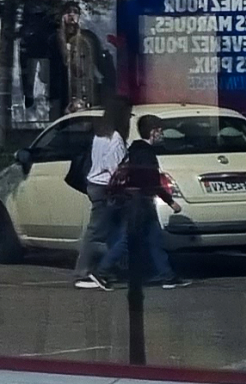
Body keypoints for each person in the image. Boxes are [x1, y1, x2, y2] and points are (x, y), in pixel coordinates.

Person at [101, 114, 187, 290]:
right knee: (127, 241)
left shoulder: (136, 151)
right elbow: (151, 182)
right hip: (139, 202)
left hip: (139, 201)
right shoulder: (144, 153)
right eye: (160, 131)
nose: (161, 135)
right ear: (153, 132)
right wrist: (170, 202)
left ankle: (167, 276)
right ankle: (101, 271)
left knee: (155, 239)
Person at [70, 100, 130, 289]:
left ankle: (108, 268)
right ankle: (85, 272)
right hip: (107, 188)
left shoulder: (100, 135)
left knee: (109, 229)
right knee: (96, 232)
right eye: (128, 114)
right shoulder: (116, 138)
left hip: (95, 185)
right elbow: (116, 169)